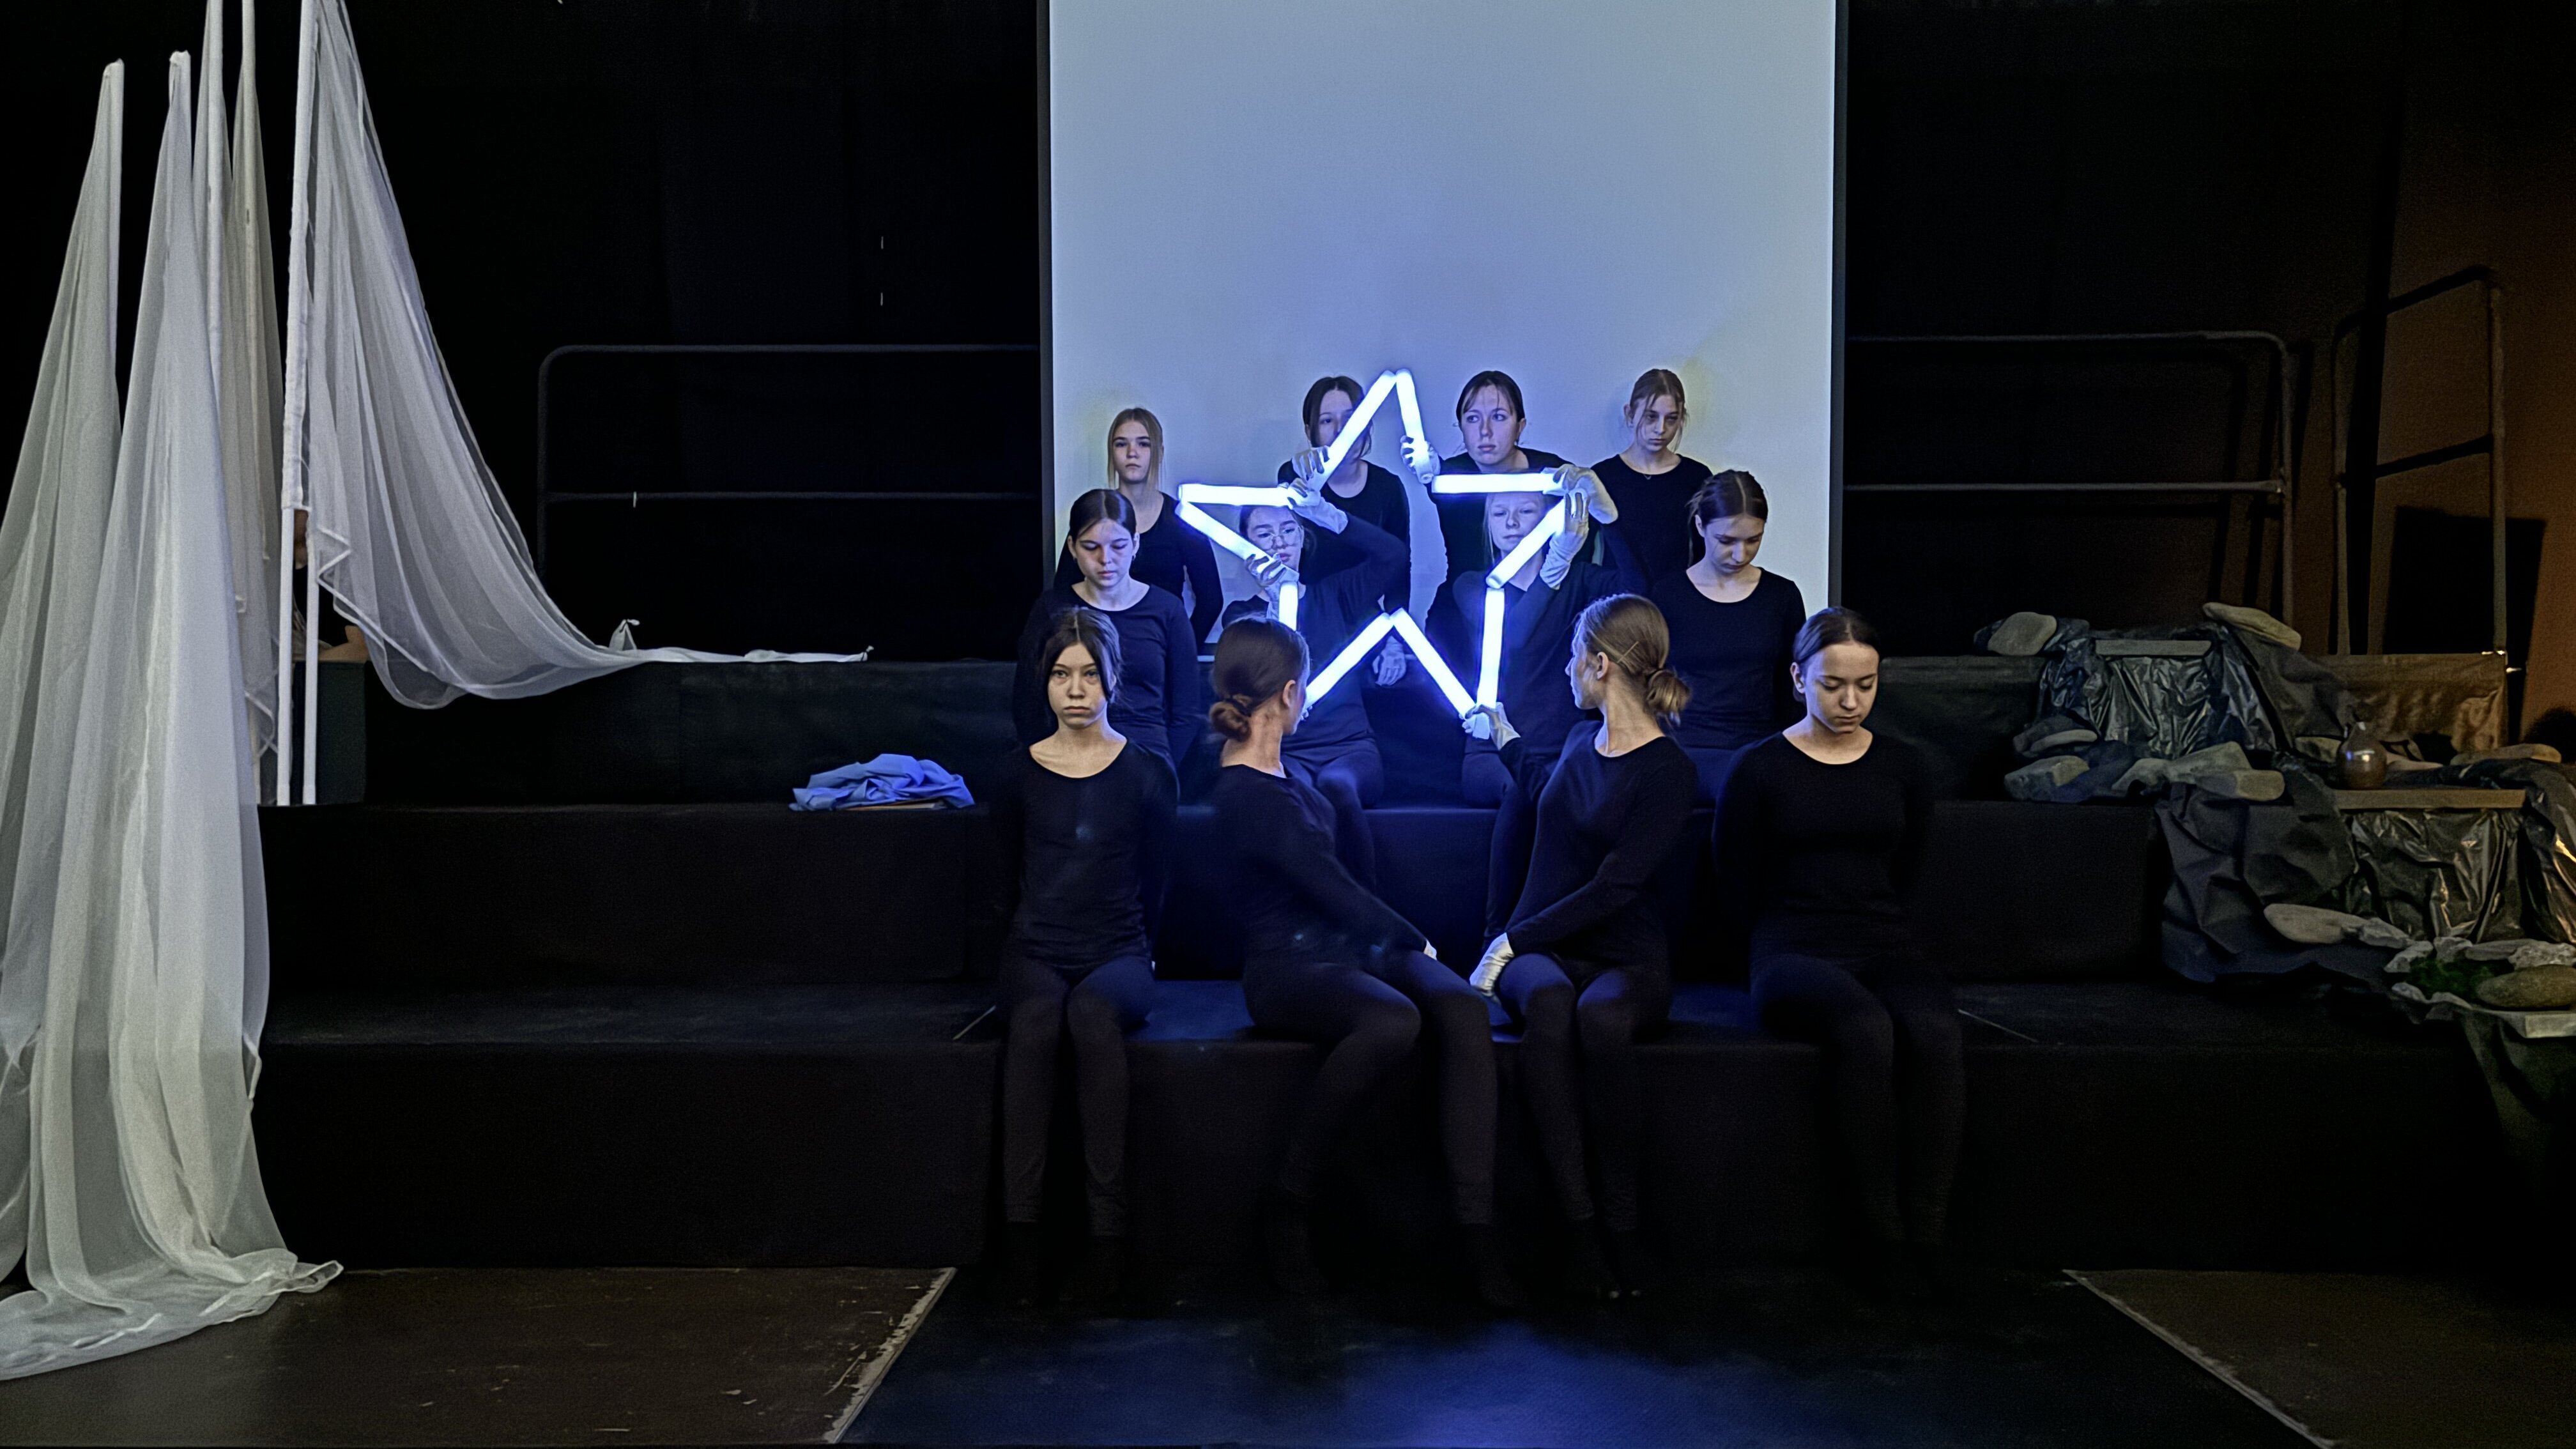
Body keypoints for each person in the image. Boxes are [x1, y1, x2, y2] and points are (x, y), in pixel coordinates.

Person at [1204, 618, 1521, 1308]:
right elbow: (1330, 887)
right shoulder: (1246, 794)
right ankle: (1290, 1200)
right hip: (1286, 968)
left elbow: (1346, 885)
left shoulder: (1292, 774)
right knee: (1392, 1020)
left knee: (1462, 1007)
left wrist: (1403, 944)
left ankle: (1475, 1230)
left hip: (1346, 946)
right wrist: (1415, 939)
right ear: (1291, 693)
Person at [1711, 608, 1963, 1300]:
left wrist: (1880, 929)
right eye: (1833, 685)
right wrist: (1768, 944)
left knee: (1936, 1034)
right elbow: (1734, 880)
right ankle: (1879, 1239)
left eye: (1865, 685)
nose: (1850, 701)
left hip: (1882, 940)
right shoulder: (1759, 768)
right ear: (1799, 679)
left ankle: (1928, 1235)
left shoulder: (1904, 765)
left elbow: (1909, 868)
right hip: (1790, 948)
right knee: (1864, 1028)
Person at [1466, 595, 1696, 1300]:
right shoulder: (1576, 740)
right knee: (1550, 1003)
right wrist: (1505, 737)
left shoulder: (1668, 771)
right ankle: (1580, 1226)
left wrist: (1511, 940)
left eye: (1574, 657)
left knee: (1601, 1020)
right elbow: (1550, 794)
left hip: (1621, 952)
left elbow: (1615, 886)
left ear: (1600, 665)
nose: (1568, 670)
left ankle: (1621, 1226)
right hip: (1546, 949)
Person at [992, 608, 1177, 1310]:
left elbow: (1158, 882)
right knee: (1039, 1022)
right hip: (1035, 952)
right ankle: (1021, 1240)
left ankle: (1108, 1240)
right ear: (1043, 683)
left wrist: (1143, 955)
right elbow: (999, 879)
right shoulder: (1015, 774)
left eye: (1090, 675)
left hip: (1118, 953)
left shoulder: (1149, 773)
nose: (1075, 689)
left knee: (1094, 1018)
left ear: (1112, 681)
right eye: (1062, 675)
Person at [1450, 471, 1641, 940]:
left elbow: (1640, 592)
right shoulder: (1474, 585)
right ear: (1487, 524)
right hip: (1492, 752)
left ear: (1551, 518)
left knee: (1570, 793)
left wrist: (1609, 517)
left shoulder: (1582, 581)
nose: (1513, 522)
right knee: (1525, 790)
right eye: (1500, 513)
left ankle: (1566, 933)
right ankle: (1497, 936)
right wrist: (1555, 564)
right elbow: (1513, 638)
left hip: (1564, 748)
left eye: (1527, 511)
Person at [1236, 480, 1408, 886]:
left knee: (1336, 786)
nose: (1279, 542)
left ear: (1303, 537)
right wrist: (1276, 603)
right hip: (1286, 750)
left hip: (1350, 749)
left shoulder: (1337, 594)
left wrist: (1329, 514)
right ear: (1245, 545)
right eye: (1264, 533)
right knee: (1289, 791)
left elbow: (1394, 556)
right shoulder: (1241, 618)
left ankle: (1364, 909)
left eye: (1288, 529)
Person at [1648, 471, 1806, 803]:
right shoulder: (1667, 596)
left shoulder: (1782, 596)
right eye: (1727, 541)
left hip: (1760, 750)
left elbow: (1791, 690)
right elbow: (1649, 682)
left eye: (1753, 541)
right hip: (1682, 750)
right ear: (1701, 526)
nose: (1740, 554)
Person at [1015, 489, 1200, 770]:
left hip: (1146, 759)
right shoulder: (1051, 609)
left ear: (1135, 543)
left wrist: (1161, 772)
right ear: (1072, 547)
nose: (1106, 559)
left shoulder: (1168, 610)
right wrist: (1048, 763)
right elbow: (1028, 703)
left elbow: (1187, 712)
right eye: (1091, 547)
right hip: (1068, 757)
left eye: (1118, 546)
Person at [1053, 408, 1225, 643]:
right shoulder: (1092, 514)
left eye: (1143, 444)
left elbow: (1211, 600)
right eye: (1121, 444)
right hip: (1099, 647)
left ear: (1159, 452)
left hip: (1160, 644)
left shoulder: (1183, 519)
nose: (1132, 453)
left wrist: (1182, 649)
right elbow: (1063, 593)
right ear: (1111, 452)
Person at [1432, 371, 1573, 585]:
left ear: (1520, 426)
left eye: (1498, 417)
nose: (1485, 431)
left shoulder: (1554, 475)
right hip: (1464, 598)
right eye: (1473, 418)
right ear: (1461, 426)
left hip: (1544, 599)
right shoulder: (1449, 478)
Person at [1592, 369, 1713, 592]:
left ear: (1681, 418)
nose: (1661, 429)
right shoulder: (1603, 476)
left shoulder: (1697, 477)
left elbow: (1705, 552)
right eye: (1651, 417)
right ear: (1630, 414)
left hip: (1677, 600)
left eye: (1672, 418)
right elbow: (1583, 552)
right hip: (1617, 602)